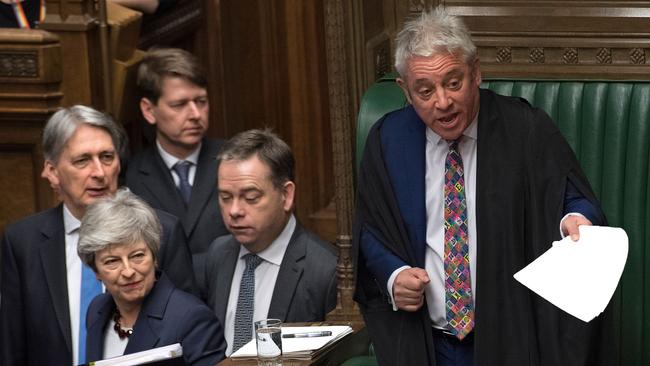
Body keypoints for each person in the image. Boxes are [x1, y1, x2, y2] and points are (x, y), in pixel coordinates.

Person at [353, 7, 614, 366]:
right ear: (405, 90)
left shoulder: (525, 129)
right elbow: (371, 230)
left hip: (512, 338)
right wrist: (394, 275)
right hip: (427, 341)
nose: (442, 102)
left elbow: (574, 198)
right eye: (425, 90)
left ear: (476, 72)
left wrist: (576, 219)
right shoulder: (388, 141)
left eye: (453, 82)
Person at [0, 105, 195, 366]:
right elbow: (12, 349)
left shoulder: (163, 231)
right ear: (53, 171)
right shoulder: (22, 242)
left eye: (106, 157)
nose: (100, 173)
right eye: (82, 160)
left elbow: (188, 331)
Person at [200, 129, 337, 356]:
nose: (234, 210)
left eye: (251, 197)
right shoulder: (218, 254)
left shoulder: (325, 270)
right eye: (225, 197)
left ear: (286, 195)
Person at [79, 188, 226, 365]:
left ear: (154, 256)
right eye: (112, 261)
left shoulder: (192, 318)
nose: (128, 271)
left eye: (137, 256)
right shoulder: (97, 310)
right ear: (96, 271)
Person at [125, 48, 229, 269]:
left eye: (201, 101)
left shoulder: (234, 160)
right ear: (148, 110)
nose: (195, 114)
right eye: (179, 105)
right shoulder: (130, 177)